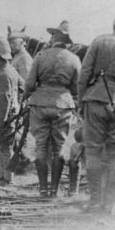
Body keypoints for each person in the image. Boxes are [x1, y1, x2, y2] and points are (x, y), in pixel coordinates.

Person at [77, 13, 115, 212]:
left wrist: (82, 100)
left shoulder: (99, 41)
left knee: (93, 151)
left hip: (96, 99)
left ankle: (94, 201)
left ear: (114, 25)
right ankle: (110, 202)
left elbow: (84, 74)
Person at [25, 20, 80, 197]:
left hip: (40, 103)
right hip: (63, 105)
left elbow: (29, 83)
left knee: (40, 146)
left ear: (55, 36)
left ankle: (43, 189)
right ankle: (54, 191)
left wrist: (33, 93)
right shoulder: (74, 59)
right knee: (60, 146)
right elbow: (77, 87)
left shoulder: (40, 56)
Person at [0, 38, 24, 185]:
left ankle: (8, 178)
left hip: (5, 116)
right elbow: (21, 88)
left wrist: (0, 122)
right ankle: (5, 176)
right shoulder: (11, 71)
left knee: (4, 148)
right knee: (4, 147)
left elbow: (5, 100)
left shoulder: (4, 74)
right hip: (11, 115)